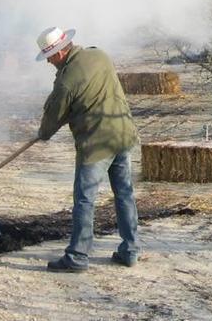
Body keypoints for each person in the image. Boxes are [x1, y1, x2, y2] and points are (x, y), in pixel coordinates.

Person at [35, 26, 140, 272]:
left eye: (49, 57)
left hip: (97, 145)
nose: (49, 62)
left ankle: (78, 256)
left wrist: (42, 134)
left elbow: (52, 120)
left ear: (59, 53)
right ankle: (131, 250)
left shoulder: (66, 80)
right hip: (124, 135)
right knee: (124, 194)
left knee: (84, 200)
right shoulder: (100, 55)